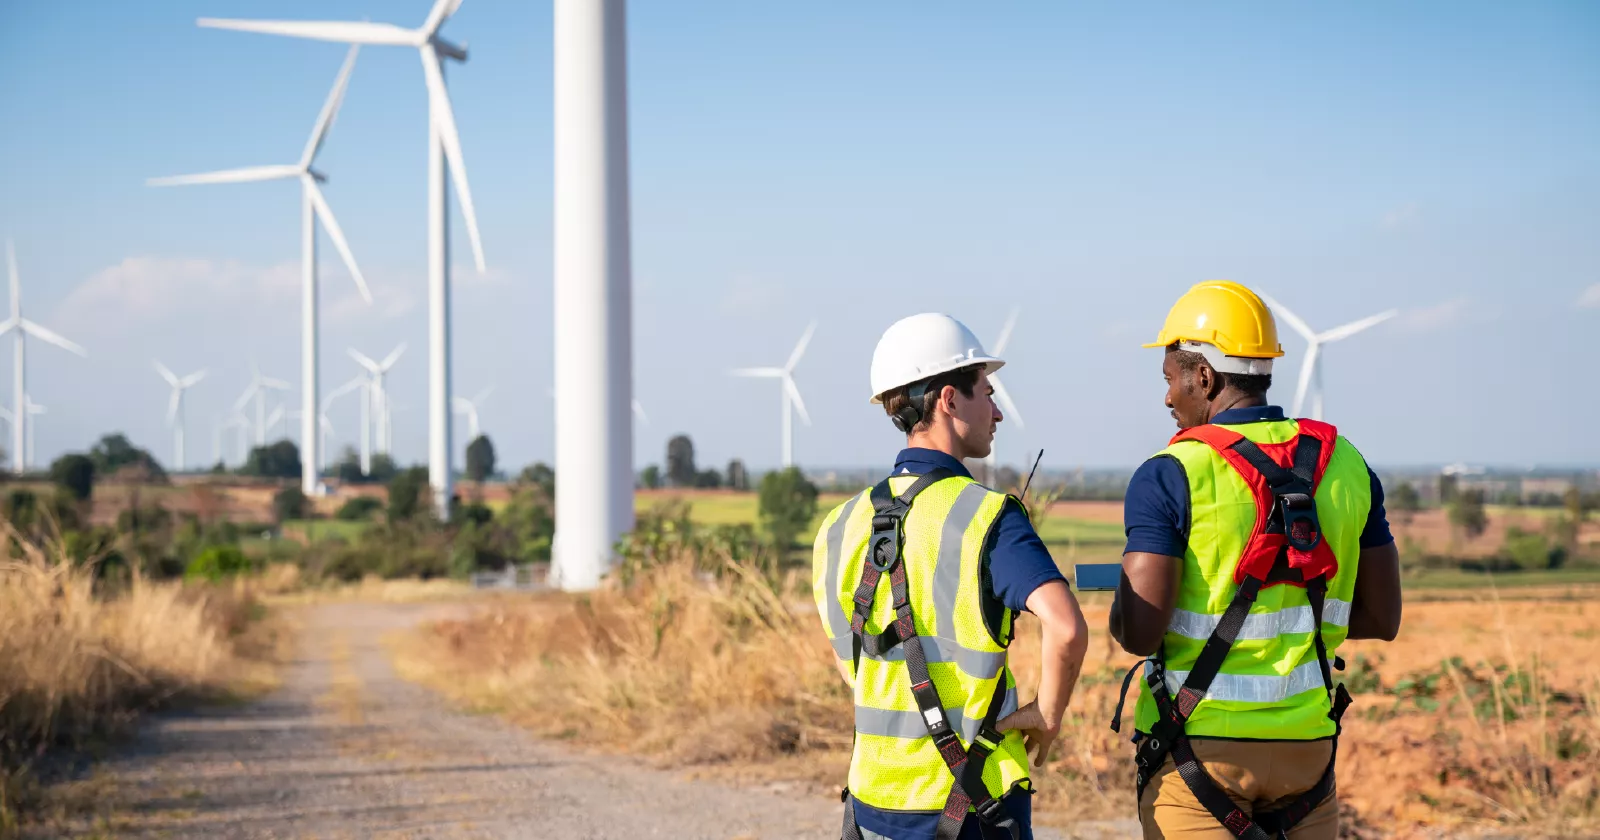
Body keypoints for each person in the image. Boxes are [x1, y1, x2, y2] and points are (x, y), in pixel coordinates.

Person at [1109, 280, 1403, 839]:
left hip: (1198, 753)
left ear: (1205, 377)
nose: (1168, 398)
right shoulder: (1348, 464)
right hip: (1308, 758)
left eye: (1170, 379)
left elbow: (1141, 634)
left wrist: (1122, 605)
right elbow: (1381, 618)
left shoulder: (1171, 473)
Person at [813, 312, 1089, 840]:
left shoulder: (838, 525)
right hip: (973, 802)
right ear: (948, 399)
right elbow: (1067, 627)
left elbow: (854, 659)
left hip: (871, 799)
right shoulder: (988, 517)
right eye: (986, 390)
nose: (998, 411)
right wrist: (1047, 715)